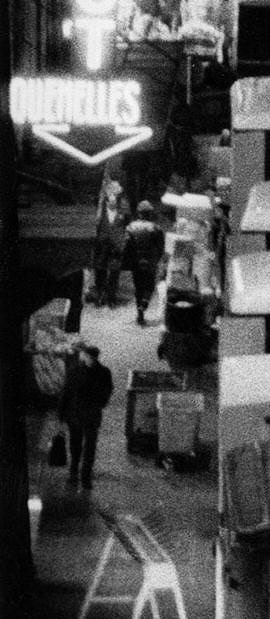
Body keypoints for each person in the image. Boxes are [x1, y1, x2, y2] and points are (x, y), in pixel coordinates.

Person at [59, 341, 114, 491]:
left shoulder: (101, 373)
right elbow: (66, 393)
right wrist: (62, 414)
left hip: (89, 414)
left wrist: (99, 404)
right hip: (77, 414)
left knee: (89, 447)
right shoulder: (77, 371)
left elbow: (107, 392)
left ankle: (85, 475)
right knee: (76, 445)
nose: (90, 360)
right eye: (89, 357)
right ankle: (74, 471)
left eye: (92, 358)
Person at [124, 201, 165, 325]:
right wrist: (156, 259)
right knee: (150, 286)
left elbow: (126, 246)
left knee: (138, 287)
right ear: (150, 213)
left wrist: (129, 260)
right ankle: (144, 303)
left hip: (136, 262)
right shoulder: (156, 228)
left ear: (139, 213)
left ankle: (139, 314)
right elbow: (161, 247)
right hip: (150, 261)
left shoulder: (130, 227)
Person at [92, 177, 129, 308]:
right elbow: (95, 225)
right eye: (111, 194)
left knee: (114, 273)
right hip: (102, 245)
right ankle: (99, 296)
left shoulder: (124, 207)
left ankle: (111, 298)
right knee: (100, 271)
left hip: (117, 246)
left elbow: (127, 225)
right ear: (107, 196)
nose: (113, 196)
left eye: (115, 194)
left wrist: (124, 241)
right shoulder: (99, 209)